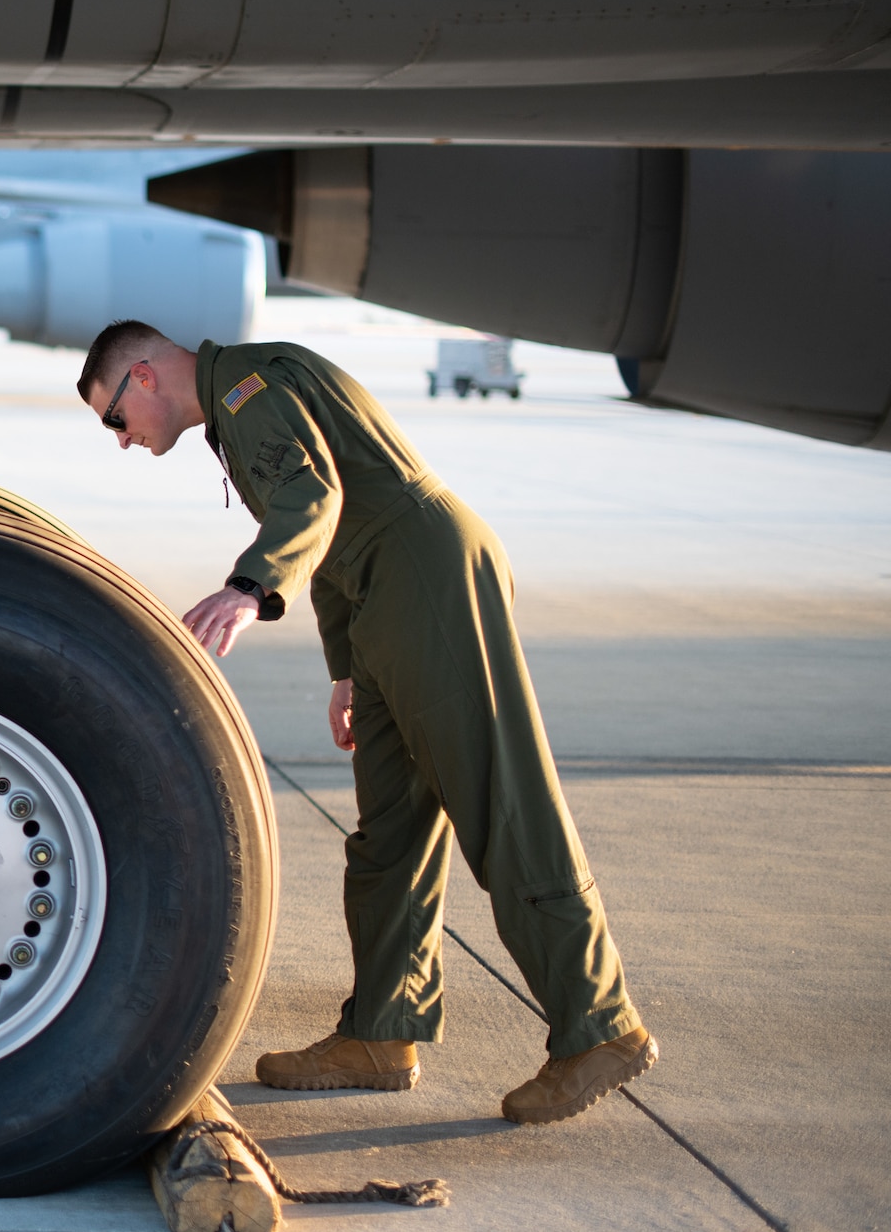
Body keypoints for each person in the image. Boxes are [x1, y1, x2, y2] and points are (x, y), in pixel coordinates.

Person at [76, 321, 655, 1125]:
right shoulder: (239, 398)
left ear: (142, 376)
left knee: (499, 802)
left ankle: (600, 1025)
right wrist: (348, 669)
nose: (122, 441)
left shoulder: (248, 391)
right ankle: (384, 1032)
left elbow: (314, 502)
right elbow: (333, 536)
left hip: (428, 578)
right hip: (382, 593)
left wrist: (249, 588)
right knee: (390, 834)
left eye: (114, 419)